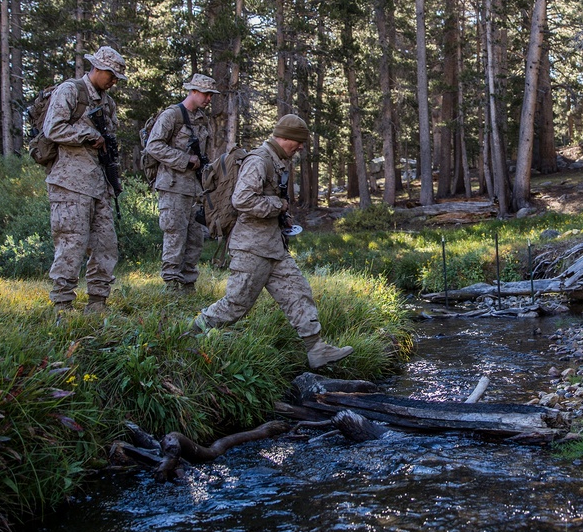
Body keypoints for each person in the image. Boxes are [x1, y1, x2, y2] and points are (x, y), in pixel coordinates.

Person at [192, 114, 353, 370]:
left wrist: (283, 216)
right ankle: (189, 335)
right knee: (236, 305)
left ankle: (317, 348)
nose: (300, 147)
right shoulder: (259, 160)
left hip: (273, 247)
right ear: (285, 137)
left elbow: (267, 199)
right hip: (251, 248)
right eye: (298, 142)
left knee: (298, 293)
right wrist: (278, 205)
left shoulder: (277, 161)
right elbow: (241, 200)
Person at [43, 46, 125, 313]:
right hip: (70, 184)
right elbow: (53, 127)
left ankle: (98, 301)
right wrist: (88, 136)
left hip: (99, 185)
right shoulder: (71, 91)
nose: (113, 82)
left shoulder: (108, 103)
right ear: (97, 68)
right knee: (71, 243)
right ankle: (63, 303)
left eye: (116, 78)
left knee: (105, 244)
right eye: (111, 75)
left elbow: (109, 140)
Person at [143, 73, 217, 291]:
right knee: (175, 234)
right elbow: (153, 146)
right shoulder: (172, 115)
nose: (208, 99)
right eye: (205, 94)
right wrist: (185, 160)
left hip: (195, 188)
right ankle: (171, 285)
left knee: (195, 237)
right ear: (193, 91)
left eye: (211, 95)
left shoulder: (203, 120)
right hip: (173, 186)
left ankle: (188, 283)